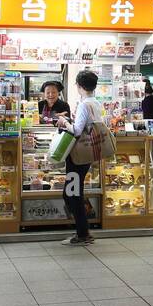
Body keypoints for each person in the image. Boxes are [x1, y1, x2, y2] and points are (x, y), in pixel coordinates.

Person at [56, 70, 101, 246]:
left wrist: (64, 122)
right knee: (73, 192)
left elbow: (76, 130)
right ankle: (83, 231)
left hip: (77, 157)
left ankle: (83, 233)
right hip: (87, 154)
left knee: (72, 194)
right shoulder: (96, 103)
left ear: (79, 86)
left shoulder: (84, 104)